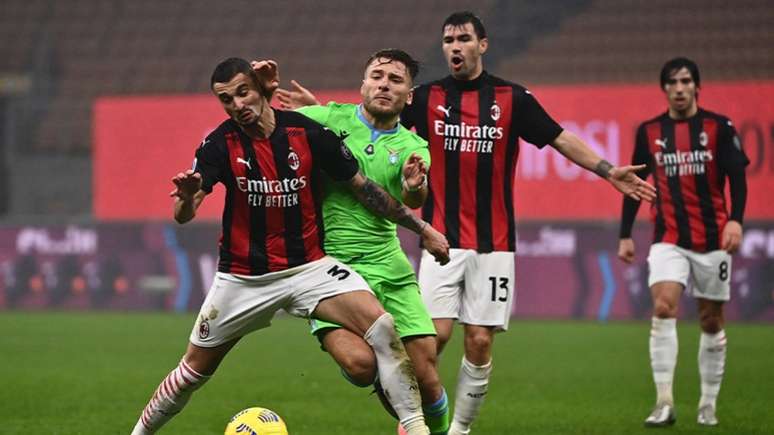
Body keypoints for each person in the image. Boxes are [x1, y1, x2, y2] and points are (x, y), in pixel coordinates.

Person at [275, 11, 656, 435]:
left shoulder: (513, 100)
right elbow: (370, 113)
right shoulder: (424, 97)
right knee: (429, 344)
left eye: (463, 39)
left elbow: (559, 137)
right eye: (448, 40)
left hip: (495, 243)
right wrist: (320, 112)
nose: (455, 47)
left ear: (482, 44)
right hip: (442, 238)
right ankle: (407, 408)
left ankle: (457, 430)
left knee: (478, 341)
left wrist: (607, 170)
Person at [130, 57, 451, 435]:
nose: (237, 106)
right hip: (243, 277)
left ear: (260, 89)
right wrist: (185, 198)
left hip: (309, 269)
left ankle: (418, 431)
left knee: (382, 328)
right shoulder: (219, 143)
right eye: (226, 100)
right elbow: (185, 211)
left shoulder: (307, 133)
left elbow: (365, 190)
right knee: (192, 372)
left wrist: (421, 228)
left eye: (243, 93)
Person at [273, 49, 450, 435]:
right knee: (361, 366)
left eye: (395, 80)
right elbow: (267, 125)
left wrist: (413, 185)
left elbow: (413, 197)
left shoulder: (412, 148)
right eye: (378, 76)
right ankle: (397, 398)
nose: (385, 84)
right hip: (329, 271)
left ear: (409, 95)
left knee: (426, 375)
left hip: (388, 268)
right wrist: (263, 86)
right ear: (363, 84)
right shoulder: (325, 118)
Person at [618, 57, 749, 428]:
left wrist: (736, 220)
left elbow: (737, 178)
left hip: (712, 238)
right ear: (664, 89)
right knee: (662, 306)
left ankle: (708, 403)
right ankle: (664, 402)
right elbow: (633, 185)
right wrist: (626, 233)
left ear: (696, 86)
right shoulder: (649, 132)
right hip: (668, 238)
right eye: (672, 82)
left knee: (711, 319)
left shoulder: (718, 127)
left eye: (685, 81)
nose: (679, 88)